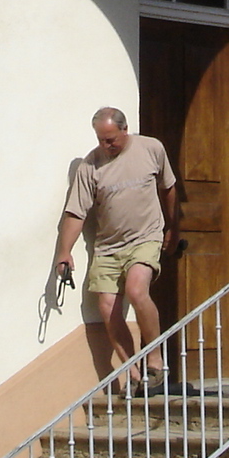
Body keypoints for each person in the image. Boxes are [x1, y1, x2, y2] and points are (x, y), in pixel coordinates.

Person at [53, 106, 190, 393]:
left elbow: (169, 188)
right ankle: (136, 373)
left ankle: (154, 359)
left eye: (111, 139)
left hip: (145, 237)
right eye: (101, 140)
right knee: (106, 308)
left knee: (137, 290)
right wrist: (64, 252)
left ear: (125, 129)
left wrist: (172, 227)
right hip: (108, 246)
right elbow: (76, 213)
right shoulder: (90, 166)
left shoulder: (151, 148)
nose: (106, 145)